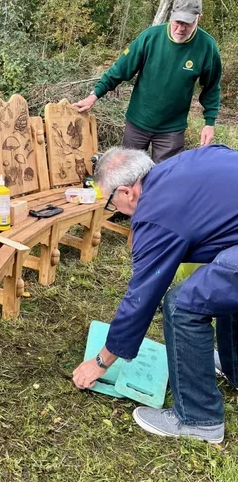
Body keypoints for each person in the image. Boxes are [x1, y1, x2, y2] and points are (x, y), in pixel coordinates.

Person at [72, 146, 238, 443]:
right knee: (220, 284)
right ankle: (233, 366)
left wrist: (100, 362)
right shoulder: (180, 164)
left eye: (111, 203)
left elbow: (142, 297)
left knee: (182, 304)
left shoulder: (154, 213)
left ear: (126, 192)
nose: (114, 211)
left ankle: (200, 419)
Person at [72, 0, 222, 163]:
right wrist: (94, 95)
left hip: (171, 130)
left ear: (198, 19)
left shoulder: (207, 47)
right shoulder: (150, 37)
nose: (180, 28)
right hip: (138, 123)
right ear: (172, 15)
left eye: (187, 24)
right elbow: (120, 69)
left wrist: (209, 123)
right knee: (128, 174)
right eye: (177, 22)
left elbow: (211, 88)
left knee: (165, 178)